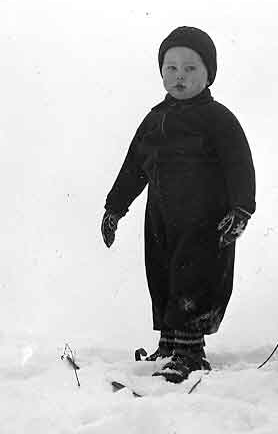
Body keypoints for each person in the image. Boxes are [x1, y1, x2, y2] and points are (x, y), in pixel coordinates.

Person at [102, 26, 256, 383]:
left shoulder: (218, 118)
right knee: (162, 274)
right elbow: (133, 168)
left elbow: (239, 164)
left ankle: (190, 350)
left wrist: (241, 209)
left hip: (205, 218)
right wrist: (114, 209)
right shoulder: (155, 119)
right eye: (170, 68)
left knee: (195, 276)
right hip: (161, 217)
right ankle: (170, 343)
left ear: (208, 73)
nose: (179, 76)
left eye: (190, 68)